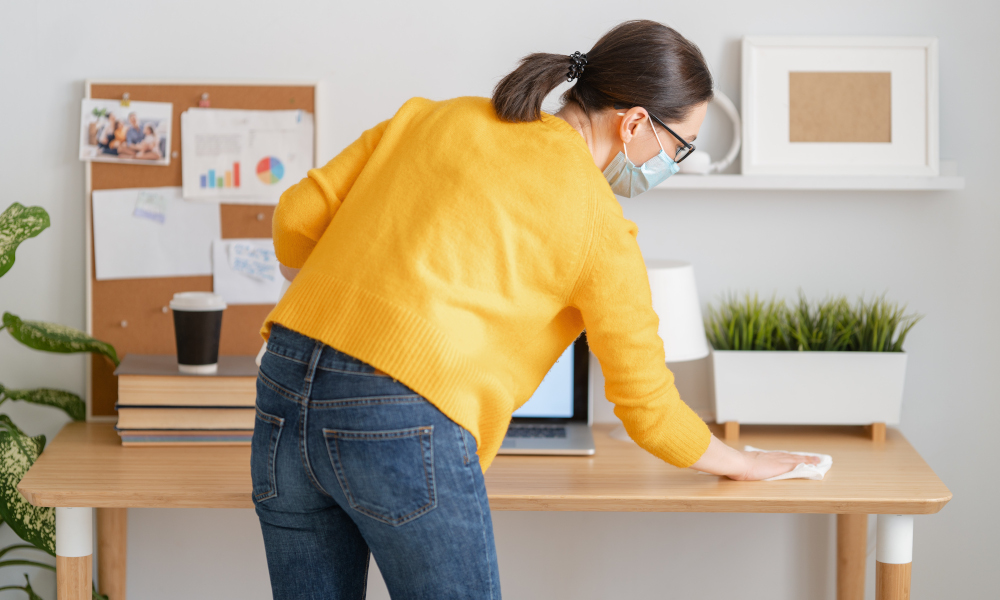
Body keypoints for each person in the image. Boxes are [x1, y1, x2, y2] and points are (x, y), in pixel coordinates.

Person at [252, 19, 819, 600]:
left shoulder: (437, 116)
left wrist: (336, 307)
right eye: (679, 148)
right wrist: (743, 463)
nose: (673, 165)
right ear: (635, 124)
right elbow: (647, 407)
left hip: (282, 381)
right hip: (401, 413)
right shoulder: (599, 223)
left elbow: (296, 215)